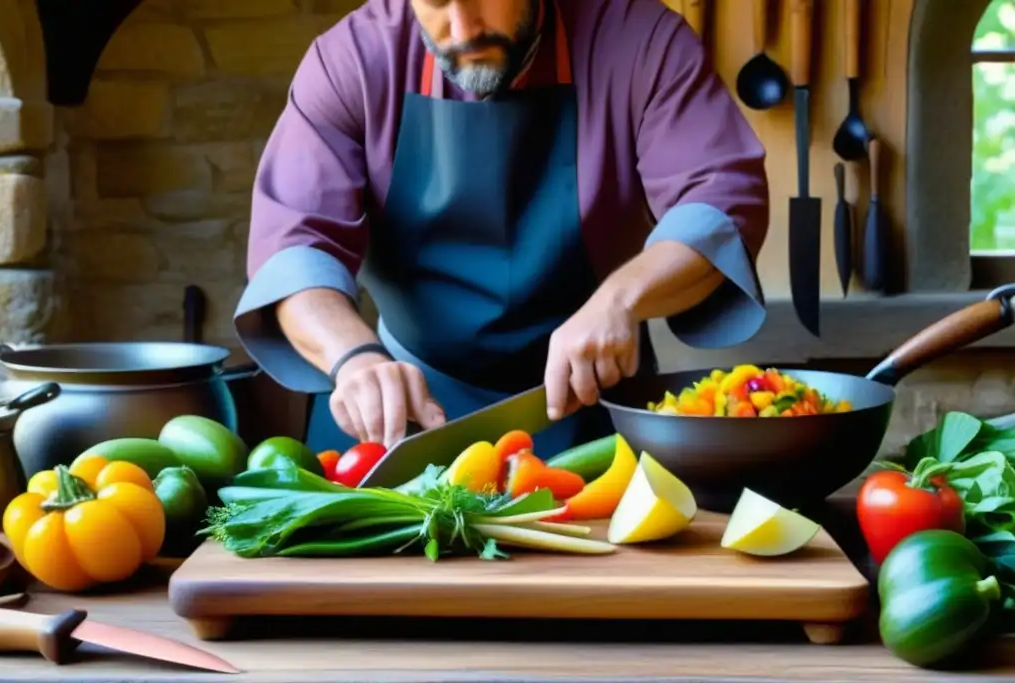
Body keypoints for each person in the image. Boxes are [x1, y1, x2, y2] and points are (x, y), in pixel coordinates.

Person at [233, 0, 770, 458]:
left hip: (594, 418)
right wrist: (353, 357)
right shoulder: (350, 61)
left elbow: (717, 199)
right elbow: (293, 246)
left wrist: (622, 300)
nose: (464, 30)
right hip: (400, 426)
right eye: (437, 2)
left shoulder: (641, 41)